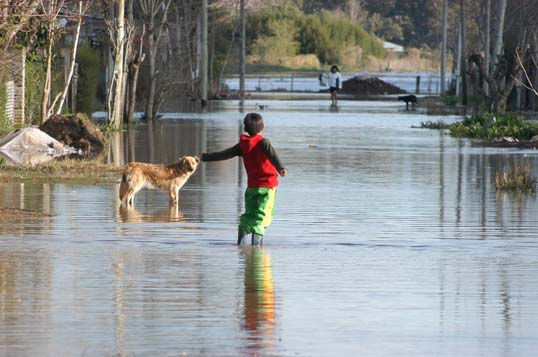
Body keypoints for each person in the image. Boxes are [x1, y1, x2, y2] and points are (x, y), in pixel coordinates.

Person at [201, 113, 287, 246]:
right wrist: (281, 168)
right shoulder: (263, 142)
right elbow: (272, 155)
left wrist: (204, 157)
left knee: (249, 214)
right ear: (263, 126)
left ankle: (241, 245)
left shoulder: (243, 145)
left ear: (245, 129)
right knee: (262, 217)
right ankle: (256, 250)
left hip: (252, 188)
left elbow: (225, 154)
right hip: (267, 187)